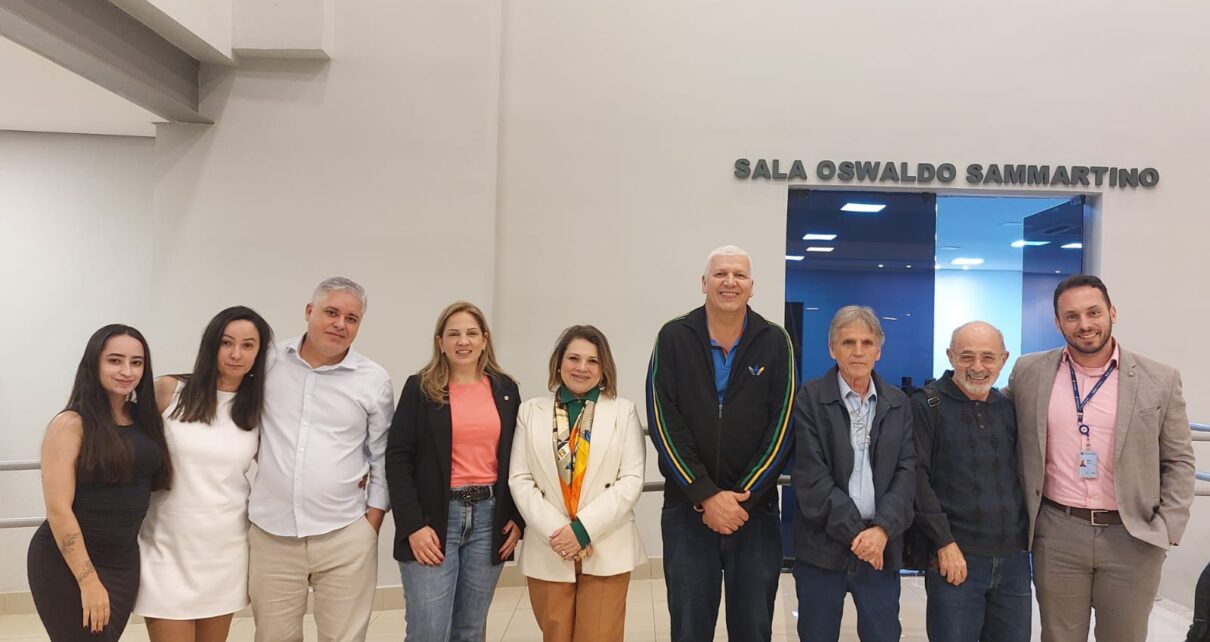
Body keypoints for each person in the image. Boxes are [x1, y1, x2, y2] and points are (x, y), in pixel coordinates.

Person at [1007, 274, 1195, 642]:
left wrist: (1168, 528)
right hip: (1058, 532)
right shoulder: (1029, 372)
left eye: (1093, 312)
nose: (1084, 324)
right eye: (1072, 316)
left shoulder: (1160, 379)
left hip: (1132, 535)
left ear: (1112, 312)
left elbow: (1179, 460)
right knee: (1059, 636)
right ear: (1058, 323)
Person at [646, 245, 795, 642]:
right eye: (721, 274)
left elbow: (782, 426)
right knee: (689, 629)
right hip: (687, 511)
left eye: (739, 275)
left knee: (753, 628)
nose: (730, 282)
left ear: (752, 286)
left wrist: (741, 498)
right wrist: (706, 495)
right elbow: (663, 421)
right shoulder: (673, 336)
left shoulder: (774, 340)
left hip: (754, 513)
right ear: (704, 283)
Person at [247, 277, 394, 642]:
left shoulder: (373, 379)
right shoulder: (268, 362)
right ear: (309, 311)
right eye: (331, 313)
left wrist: (371, 524)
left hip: (345, 534)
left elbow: (382, 456)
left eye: (351, 318)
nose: (340, 324)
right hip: (272, 536)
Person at [134, 306, 273, 642]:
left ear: (259, 353)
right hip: (165, 548)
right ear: (211, 344)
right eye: (227, 342)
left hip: (225, 551)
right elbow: (128, 448)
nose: (236, 354)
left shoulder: (257, 409)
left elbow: (283, 466)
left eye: (248, 345)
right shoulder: (168, 390)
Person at [386, 301, 523, 642]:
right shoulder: (420, 389)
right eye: (454, 334)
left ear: (484, 340)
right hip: (433, 521)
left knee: (469, 631)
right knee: (428, 632)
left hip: (488, 519)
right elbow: (398, 459)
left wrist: (517, 519)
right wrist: (412, 525)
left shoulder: (506, 390)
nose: (463, 341)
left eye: (472, 333)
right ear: (440, 342)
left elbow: (519, 458)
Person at [27, 324, 172, 641]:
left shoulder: (144, 418)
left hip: (123, 562)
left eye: (136, 362)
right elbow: (58, 509)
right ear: (94, 363)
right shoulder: (70, 424)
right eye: (115, 360)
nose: (126, 371)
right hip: (67, 562)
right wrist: (88, 580)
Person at [510, 325, 647, 642]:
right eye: (574, 358)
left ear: (604, 368)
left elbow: (631, 479)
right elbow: (520, 478)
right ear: (559, 362)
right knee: (555, 635)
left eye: (592, 361)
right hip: (550, 544)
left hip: (606, 543)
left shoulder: (623, 411)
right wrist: (561, 533)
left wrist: (583, 530)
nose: (582, 368)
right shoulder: (530, 411)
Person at [791, 306, 916, 642]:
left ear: (878, 350)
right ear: (832, 349)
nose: (858, 351)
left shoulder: (898, 403)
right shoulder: (810, 399)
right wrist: (857, 535)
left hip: (881, 547)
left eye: (867, 342)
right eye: (848, 343)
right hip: (822, 548)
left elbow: (907, 472)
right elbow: (811, 475)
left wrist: (881, 531)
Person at [911, 321, 1030, 642]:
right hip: (955, 558)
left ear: (1004, 359)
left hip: (1014, 563)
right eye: (966, 357)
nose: (977, 367)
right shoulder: (927, 405)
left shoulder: (1008, 408)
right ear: (950, 356)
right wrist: (943, 543)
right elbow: (917, 480)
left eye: (988, 357)